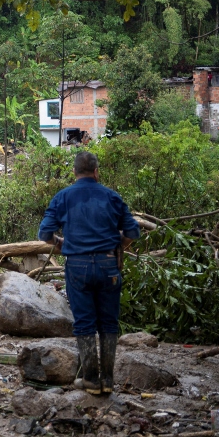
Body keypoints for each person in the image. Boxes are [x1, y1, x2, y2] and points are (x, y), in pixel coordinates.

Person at [39, 151, 140, 395]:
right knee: (108, 322)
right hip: (108, 266)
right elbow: (133, 232)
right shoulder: (112, 197)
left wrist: (61, 243)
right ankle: (107, 379)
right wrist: (118, 246)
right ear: (96, 172)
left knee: (84, 322)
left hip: (78, 266)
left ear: (74, 173)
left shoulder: (63, 197)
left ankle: (91, 380)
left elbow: (44, 234)